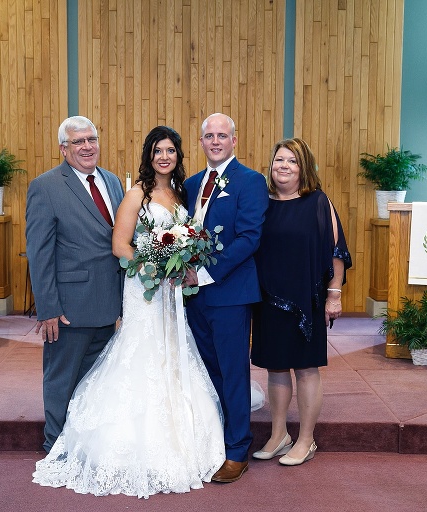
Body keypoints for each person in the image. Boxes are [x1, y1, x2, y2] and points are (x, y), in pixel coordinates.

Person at [33, 126, 225, 498]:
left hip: (171, 294)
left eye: (170, 150)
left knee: (171, 353)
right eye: (157, 151)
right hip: (145, 287)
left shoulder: (181, 193)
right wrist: (153, 264)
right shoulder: (137, 191)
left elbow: (188, 238)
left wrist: (181, 263)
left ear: (178, 155)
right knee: (137, 356)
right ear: (148, 155)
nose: (164, 157)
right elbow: (120, 244)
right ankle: (68, 442)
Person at [25, 115, 125, 454]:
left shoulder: (112, 182)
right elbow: (39, 255)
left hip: (109, 304)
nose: (87, 147)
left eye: (91, 139)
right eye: (78, 142)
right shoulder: (46, 186)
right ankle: (55, 446)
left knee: (94, 382)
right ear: (63, 149)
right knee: (62, 379)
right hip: (69, 307)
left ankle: (84, 445)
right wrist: (48, 308)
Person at [250, 138, 352, 466]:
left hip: (305, 301)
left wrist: (334, 295)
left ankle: (306, 439)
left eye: (292, 161)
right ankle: (279, 435)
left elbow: (336, 251)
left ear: (303, 167)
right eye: (279, 159)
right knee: (276, 368)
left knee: (306, 369)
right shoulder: (261, 202)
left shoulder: (317, 202)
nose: (284, 166)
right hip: (268, 300)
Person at [183, 113, 269, 483]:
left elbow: (249, 238)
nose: (215, 141)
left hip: (229, 293)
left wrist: (204, 274)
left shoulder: (250, 181)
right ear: (201, 142)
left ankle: (237, 450)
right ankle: (215, 438)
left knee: (233, 373)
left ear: (235, 140)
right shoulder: (188, 184)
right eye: (209, 136)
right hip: (191, 297)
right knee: (206, 370)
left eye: (222, 135)